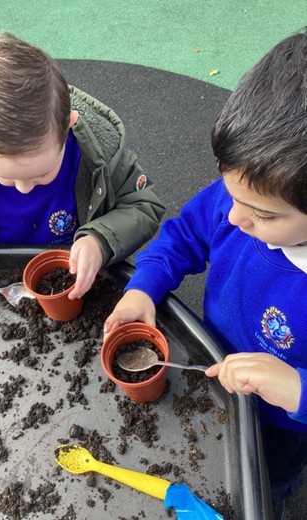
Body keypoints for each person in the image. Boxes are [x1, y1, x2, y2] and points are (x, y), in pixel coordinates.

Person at [104, 29, 307, 520]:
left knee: (265, 482)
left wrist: (298, 389)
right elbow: (184, 237)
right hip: (208, 362)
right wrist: (143, 289)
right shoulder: (245, 198)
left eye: (263, 215)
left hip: (282, 423)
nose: (235, 218)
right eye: (231, 193)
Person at [0, 31, 165, 300]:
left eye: (43, 173)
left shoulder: (101, 155)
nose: (23, 188)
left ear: (68, 123)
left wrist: (100, 240)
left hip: (71, 278)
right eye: (5, 177)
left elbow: (143, 204)